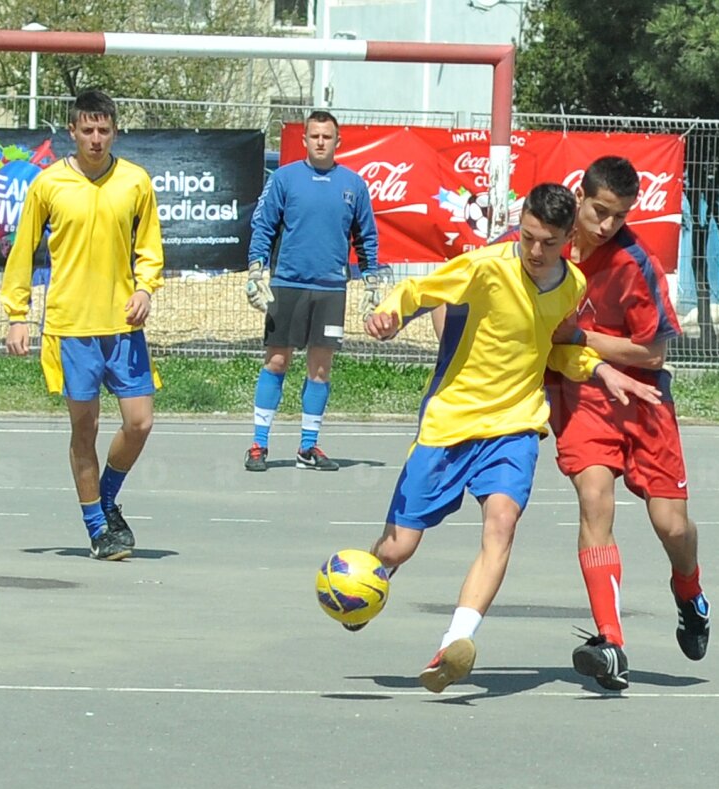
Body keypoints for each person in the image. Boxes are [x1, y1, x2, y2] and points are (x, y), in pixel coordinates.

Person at [359, 183, 662, 694]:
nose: (535, 251)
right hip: (451, 422)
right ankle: (367, 586)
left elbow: (554, 347)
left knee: (501, 524)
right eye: (528, 238)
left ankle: (453, 644)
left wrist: (598, 369)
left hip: (515, 425)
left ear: (568, 237)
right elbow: (419, 290)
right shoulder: (486, 267)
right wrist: (389, 313)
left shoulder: (572, 285)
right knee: (397, 548)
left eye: (548, 242)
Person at [548, 156, 710, 691]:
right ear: (579, 196)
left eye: (619, 215)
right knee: (595, 499)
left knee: (672, 526)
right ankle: (610, 642)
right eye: (600, 211)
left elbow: (653, 354)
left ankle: (689, 590)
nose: (607, 224)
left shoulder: (636, 263)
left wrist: (579, 338)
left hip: (643, 401)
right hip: (582, 399)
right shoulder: (544, 244)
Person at [1, 89, 163, 562]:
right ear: (72, 131)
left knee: (140, 423)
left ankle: (106, 498)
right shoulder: (49, 184)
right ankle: (97, 528)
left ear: (115, 132)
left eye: (103, 130)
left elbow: (149, 247)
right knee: (85, 427)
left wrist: (145, 288)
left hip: (123, 326)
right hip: (70, 327)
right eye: (87, 129)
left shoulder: (135, 181)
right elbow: (22, 250)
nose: (95, 138)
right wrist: (17, 315)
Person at [243, 110, 382, 473]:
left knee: (320, 369)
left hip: (331, 289)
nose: (321, 142)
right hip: (288, 285)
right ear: (304, 140)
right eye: (315, 136)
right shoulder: (284, 179)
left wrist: (371, 280)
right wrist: (256, 270)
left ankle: (308, 447)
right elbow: (264, 226)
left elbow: (366, 237)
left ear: (338, 141)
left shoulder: (353, 185)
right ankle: (258, 444)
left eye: (327, 136)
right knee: (276, 362)